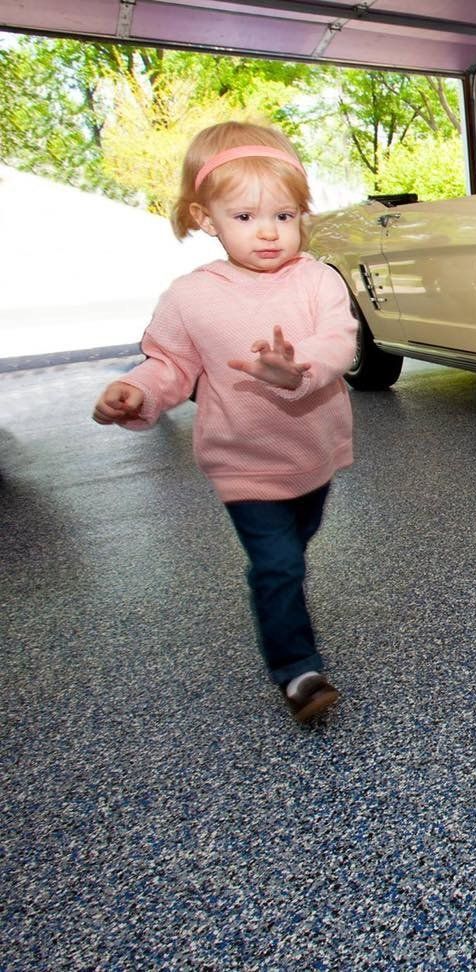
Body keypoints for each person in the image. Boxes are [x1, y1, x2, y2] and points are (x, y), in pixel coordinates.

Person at [92, 121, 357, 724]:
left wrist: (298, 371)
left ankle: (283, 599)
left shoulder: (318, 279)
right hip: (241, 458)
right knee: (279, 563)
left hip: (312, 450)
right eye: (244, 217)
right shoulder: (191, 296)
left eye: (284, 216)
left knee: (299, 538)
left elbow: (339, 342)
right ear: (205, 218)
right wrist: (134, 391)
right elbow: (170, 363)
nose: (268, 231)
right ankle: (298, 671)